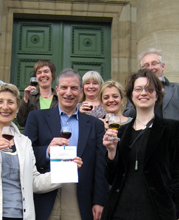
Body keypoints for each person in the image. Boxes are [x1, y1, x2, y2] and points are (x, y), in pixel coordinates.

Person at [0, 83, 83, 220]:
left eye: (11, 102)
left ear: (17, 109)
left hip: (21, 216)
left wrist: (66, 171)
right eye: (0, 102)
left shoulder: (24, 142)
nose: (5, 107)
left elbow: (34, 182)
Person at [101, 69, 179, 220]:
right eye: (138, 89)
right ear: (131, 95)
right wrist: (111, 152)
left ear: (157, 95)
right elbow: (111, 177)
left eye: (149, 89)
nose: (143, 93)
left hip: (157, 212)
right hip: (119, 213)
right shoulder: (121, 132)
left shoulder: (172, 129)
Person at [24, 68, 109, 220]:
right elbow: (25, 155)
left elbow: (100, 165)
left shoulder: (95, 125)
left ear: (81, 91)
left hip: (78, 195)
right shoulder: (36, 117)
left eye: (74, 88)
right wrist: (47, 151)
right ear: (56, 90)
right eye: (64, 87)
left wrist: (98, 200)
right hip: (46, 192)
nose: (68, 93)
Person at [123, 48, 179, 170]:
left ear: (162, 66)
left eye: (154, 63)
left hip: (172, 150)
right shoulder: (137, 91)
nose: (151, 67)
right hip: (143, 148)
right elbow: (128, 116)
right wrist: (140, 96)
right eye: (146, 65)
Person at [17, 60, 58, 127]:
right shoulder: (31, 98)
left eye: (46, 71)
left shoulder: (59, 98)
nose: (42, 75)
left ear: (52, 74)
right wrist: (25, 100)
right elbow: (21, 122)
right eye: (39, 73)